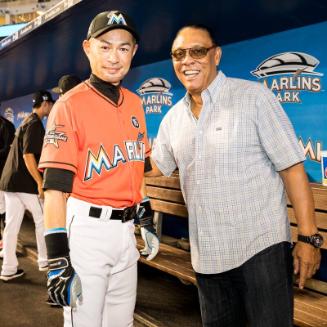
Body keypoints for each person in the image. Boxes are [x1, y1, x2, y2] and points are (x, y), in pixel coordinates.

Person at [147, 25, 322, 327]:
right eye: (178, 54)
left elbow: (292, 168)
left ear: (216, 55)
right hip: (207, 258)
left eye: (197, 51)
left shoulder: (253, 98)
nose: (187, 60)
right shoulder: (173, 118)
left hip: (260, 251)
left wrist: (308, 238)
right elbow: (155, 169)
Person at [38, 10, 159, 327]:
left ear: (133, 52)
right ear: (88, 48)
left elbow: (135, 170)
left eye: (123, 48)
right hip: (87, 232)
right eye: (105, 46)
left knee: (123, 323)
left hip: (125, 232)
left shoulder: (135, 103)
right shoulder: (69, 105)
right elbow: (54, 191)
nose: (114, 57)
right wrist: (57, 260)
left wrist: (144, 216)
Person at [0, 90, 54, 281]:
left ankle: (8, 269)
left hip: (10, 181)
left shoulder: (26, 121)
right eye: (51, 104)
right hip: (23, 183)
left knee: (11, 226)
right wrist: (40, 183)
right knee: (43, 220)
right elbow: (28, 155)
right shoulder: (35, 124)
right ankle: (44, 259)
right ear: (45, 104)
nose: (52, 107)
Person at [0, 111, 15, 250]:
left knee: (6, 211)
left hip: (4, 175)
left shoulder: (7, 126)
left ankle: (6, 244)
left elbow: (9, 150)